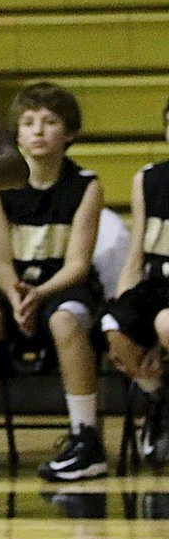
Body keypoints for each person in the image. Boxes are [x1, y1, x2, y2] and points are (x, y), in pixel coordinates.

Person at [0, 81, 107, 484]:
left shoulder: (86, 186)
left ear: (69, 133)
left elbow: (78, 263)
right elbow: (0, 260)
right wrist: (15, 293)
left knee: (66, 321)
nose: (38, 130)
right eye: (28, 122)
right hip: (12, 286)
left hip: (62, 285)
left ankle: (85, 437)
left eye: (50, 121)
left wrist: (39, 294)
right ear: (16, 134)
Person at [99, 97, 169, 466]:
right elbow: (136, 255)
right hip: (155, 284)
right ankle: (158, 397)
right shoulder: (149, 178)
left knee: (166, 324)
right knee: (114, 326)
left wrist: (159, 341)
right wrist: (125, 307)